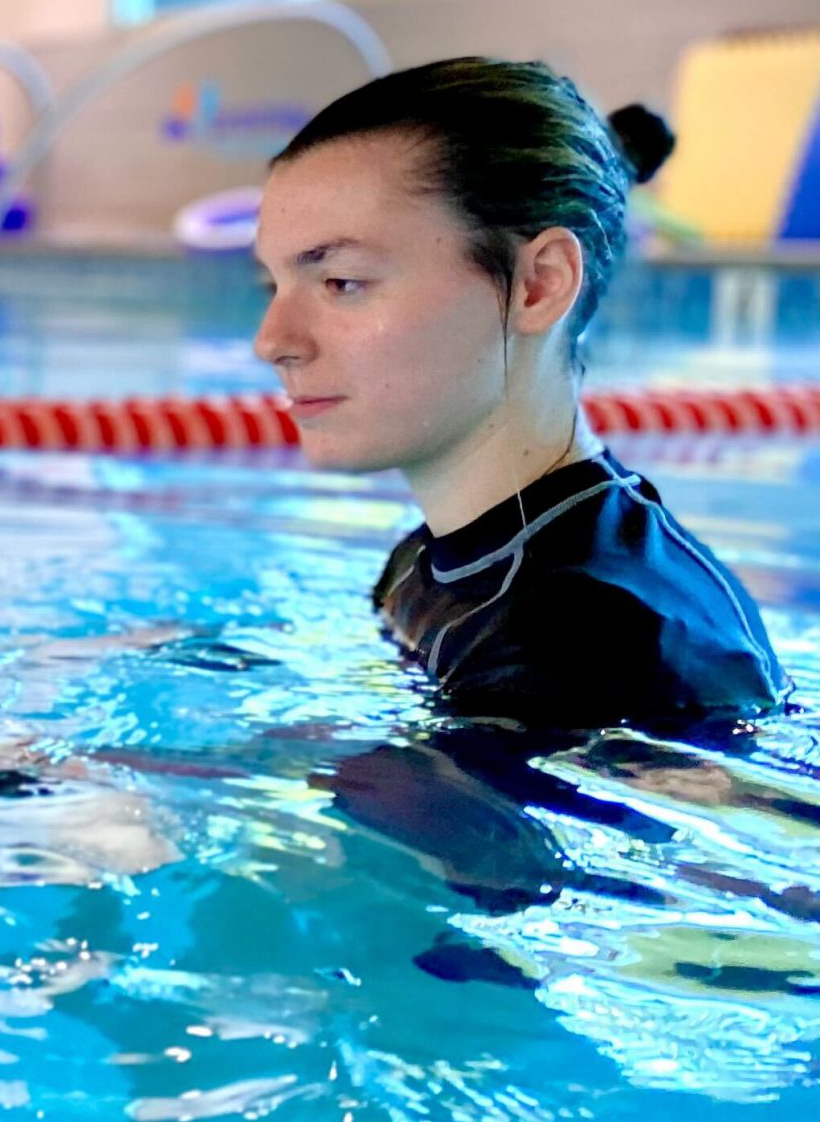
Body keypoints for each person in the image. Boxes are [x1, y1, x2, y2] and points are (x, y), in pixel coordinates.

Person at [252, 56, 788, 734]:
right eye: (271, 287)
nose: (272, 341)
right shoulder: (426, 563)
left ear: (539, 285)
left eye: (342, 283)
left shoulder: (584, 637)